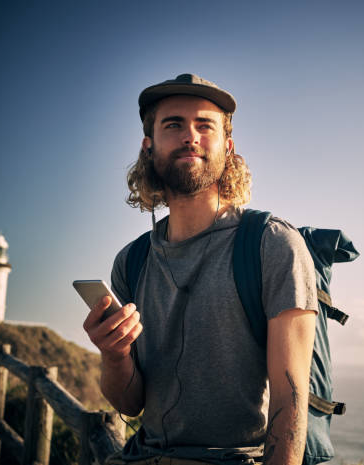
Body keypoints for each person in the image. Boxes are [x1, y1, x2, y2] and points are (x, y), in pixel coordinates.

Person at [83, 73, 318, 465]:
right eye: (173, 125)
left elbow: (289, 402)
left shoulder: (270, 244)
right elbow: (130, 401)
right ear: (148, 146)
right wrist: (114, 353)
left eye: (204, 125)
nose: (189, 136)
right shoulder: (132, 261)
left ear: (228, 147)